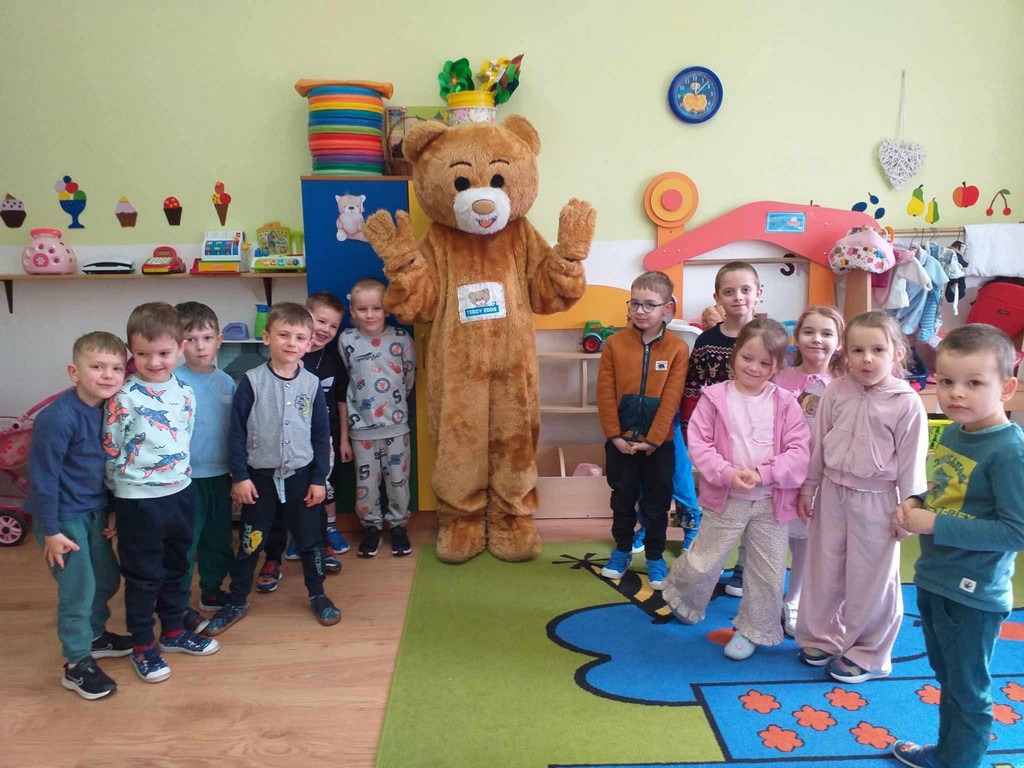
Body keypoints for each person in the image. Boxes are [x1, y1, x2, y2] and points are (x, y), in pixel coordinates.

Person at [892, 324, 1024, 768]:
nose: (956, 393)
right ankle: (948, 755)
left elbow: (1016, 532)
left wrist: (935, 523)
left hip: (974, 593)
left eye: (974, 383)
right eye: (947, 381)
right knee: (948, 677)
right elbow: (949, 492)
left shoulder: (1010, 452)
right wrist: (917, 501)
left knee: (968, 690)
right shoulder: (953, 432)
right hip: (936, 579)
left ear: (1007, 388)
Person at [661, 319, 810, 660]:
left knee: (767, 573)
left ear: (777, 366)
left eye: (765, 363)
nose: (754, 367)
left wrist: (763, 473)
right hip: (726, 498)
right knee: (704, 561)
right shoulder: (715, 398)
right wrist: (727, 474)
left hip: (771, 503)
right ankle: (685, 598)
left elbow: (799, 452)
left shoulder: (786, 402)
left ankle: (753, 630)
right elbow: (699, 443)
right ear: (735, 355)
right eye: (747, 357)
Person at [795, 310, 928, 683]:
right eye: (858, 350)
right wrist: (809, 487)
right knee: (824, 567)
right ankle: (822, 636)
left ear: (896, 353)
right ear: (846, 353)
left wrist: (909, 509)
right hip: (832, 492)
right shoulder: (835, 391)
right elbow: (818, 445)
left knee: (872, 578)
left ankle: (869, 653)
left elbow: (912, 465)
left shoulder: (906, 403)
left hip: (879, 500)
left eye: (877, 350)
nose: (867, 359)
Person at [203, 302, 340, 635]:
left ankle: (318, 594)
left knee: (310, 541)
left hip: (302, 479)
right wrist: (240, 476)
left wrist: (319, 479)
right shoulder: (251, 382)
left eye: (300, 337)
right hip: (259, 480)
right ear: (267, 338)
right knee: (251, 542)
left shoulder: (311, 384)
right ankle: (237, 599)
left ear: (308, 343)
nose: (291, 343)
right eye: (283, 335)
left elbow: (321, 435)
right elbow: (236, 432)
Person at [104, 302, 220, 684]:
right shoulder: (124, 397)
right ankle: (142, 645)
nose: (153, 362)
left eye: (164, 353)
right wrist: (114, 501)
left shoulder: (186, 391)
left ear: (180, 348)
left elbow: (184, 437)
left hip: (180, 492)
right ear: (130, 351)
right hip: (137, 500)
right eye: (142, 354)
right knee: (143, 575)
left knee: (177, 565)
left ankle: (172, 630)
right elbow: (111, 449)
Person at [26, 332, 131, 699]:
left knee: (106, 578)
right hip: (62, 518)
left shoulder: (111, 410)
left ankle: (95, 636)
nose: (108, 375)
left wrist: (111, 511)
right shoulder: (57, 418)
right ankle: (76, 663)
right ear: (74, 372)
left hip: (95, 510)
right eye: (97, 367)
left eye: (116, 368)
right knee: (79, 588)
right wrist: (51, 530)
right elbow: (43, 478)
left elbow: (109, 465)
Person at [596, 271, 688, 589]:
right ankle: (622, 551)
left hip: (658, 446)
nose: (640, 310)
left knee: (657, 504)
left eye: (649, 304)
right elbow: (605, 394)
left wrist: (653, 440)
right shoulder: (614, 345)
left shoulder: (677, 349)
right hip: (620, 443)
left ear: (667, 309)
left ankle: (654, 558)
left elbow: (672, 399)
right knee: (622, 500)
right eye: (634, 303)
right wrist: (615, 436)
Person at [678, 262, 763, 596]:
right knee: (717, 507)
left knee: (755, 505)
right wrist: (692, 435)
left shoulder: (770, 337)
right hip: (716, 441)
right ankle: (709, 568)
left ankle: (744, 568)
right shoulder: (706, 341)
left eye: (745, 290)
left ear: (758, 293)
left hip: (758, 441)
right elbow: (693, 389)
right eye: (729, 291)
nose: (738, 297)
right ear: (717, 298)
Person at [257, 291, 349, 593]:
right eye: (320, 321)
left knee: (321, 488)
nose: (325, 329)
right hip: (287, 443)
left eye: (333, 325)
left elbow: (341, 400)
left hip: (323, 440)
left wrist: (344, 438)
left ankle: (321, 539)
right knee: (289, 494)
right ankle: (290, 544)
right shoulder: (286, 357)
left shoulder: (332, 360)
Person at [771, 306, 844, 637]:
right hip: (780, 472)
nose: (817, 339)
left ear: (839, 343)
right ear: (796, 338)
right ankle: (767, 597)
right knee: (772, 537)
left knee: (806, 541)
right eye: (809, 332)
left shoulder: (843, 384)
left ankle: (795, 598)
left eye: (827, 333)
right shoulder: (780, 378)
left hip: (820, 475)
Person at [338, 278, 416, 557]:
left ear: (387, 309)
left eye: (376, 308)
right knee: (366, 485)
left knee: (398, 482)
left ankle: (398, 526)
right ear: (352, 310)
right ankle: (371, 527)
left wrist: (395, 408)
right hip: (361, 429)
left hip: (396, 427)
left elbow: (408, 377)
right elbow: (346, 379)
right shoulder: (347, 340)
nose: (370, 315)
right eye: (362, 309)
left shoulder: (401, 339)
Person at [174, 302, 236, 612]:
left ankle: (211, 591)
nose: (200, 346)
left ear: (219, 340)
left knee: (218, 538)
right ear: (178, 343)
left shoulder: (226, 382)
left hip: (220, 475)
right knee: (185, 542)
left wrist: (237, 472)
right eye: (191, 339)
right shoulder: (172, 380)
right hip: (184, 479)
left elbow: (235, 430)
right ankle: (178, 604)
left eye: (207, 338)